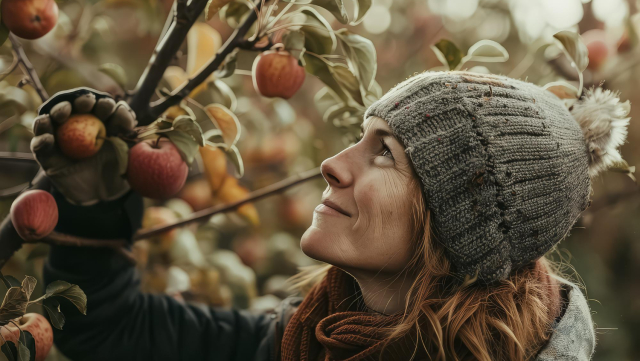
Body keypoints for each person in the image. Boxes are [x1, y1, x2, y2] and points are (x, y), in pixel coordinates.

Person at [32, 71, 632, 360]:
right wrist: (90, 211)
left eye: (385, 155)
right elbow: (116, 331)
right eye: (358, 137)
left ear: (458, 229)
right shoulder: (312, 341)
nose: (332, 164)